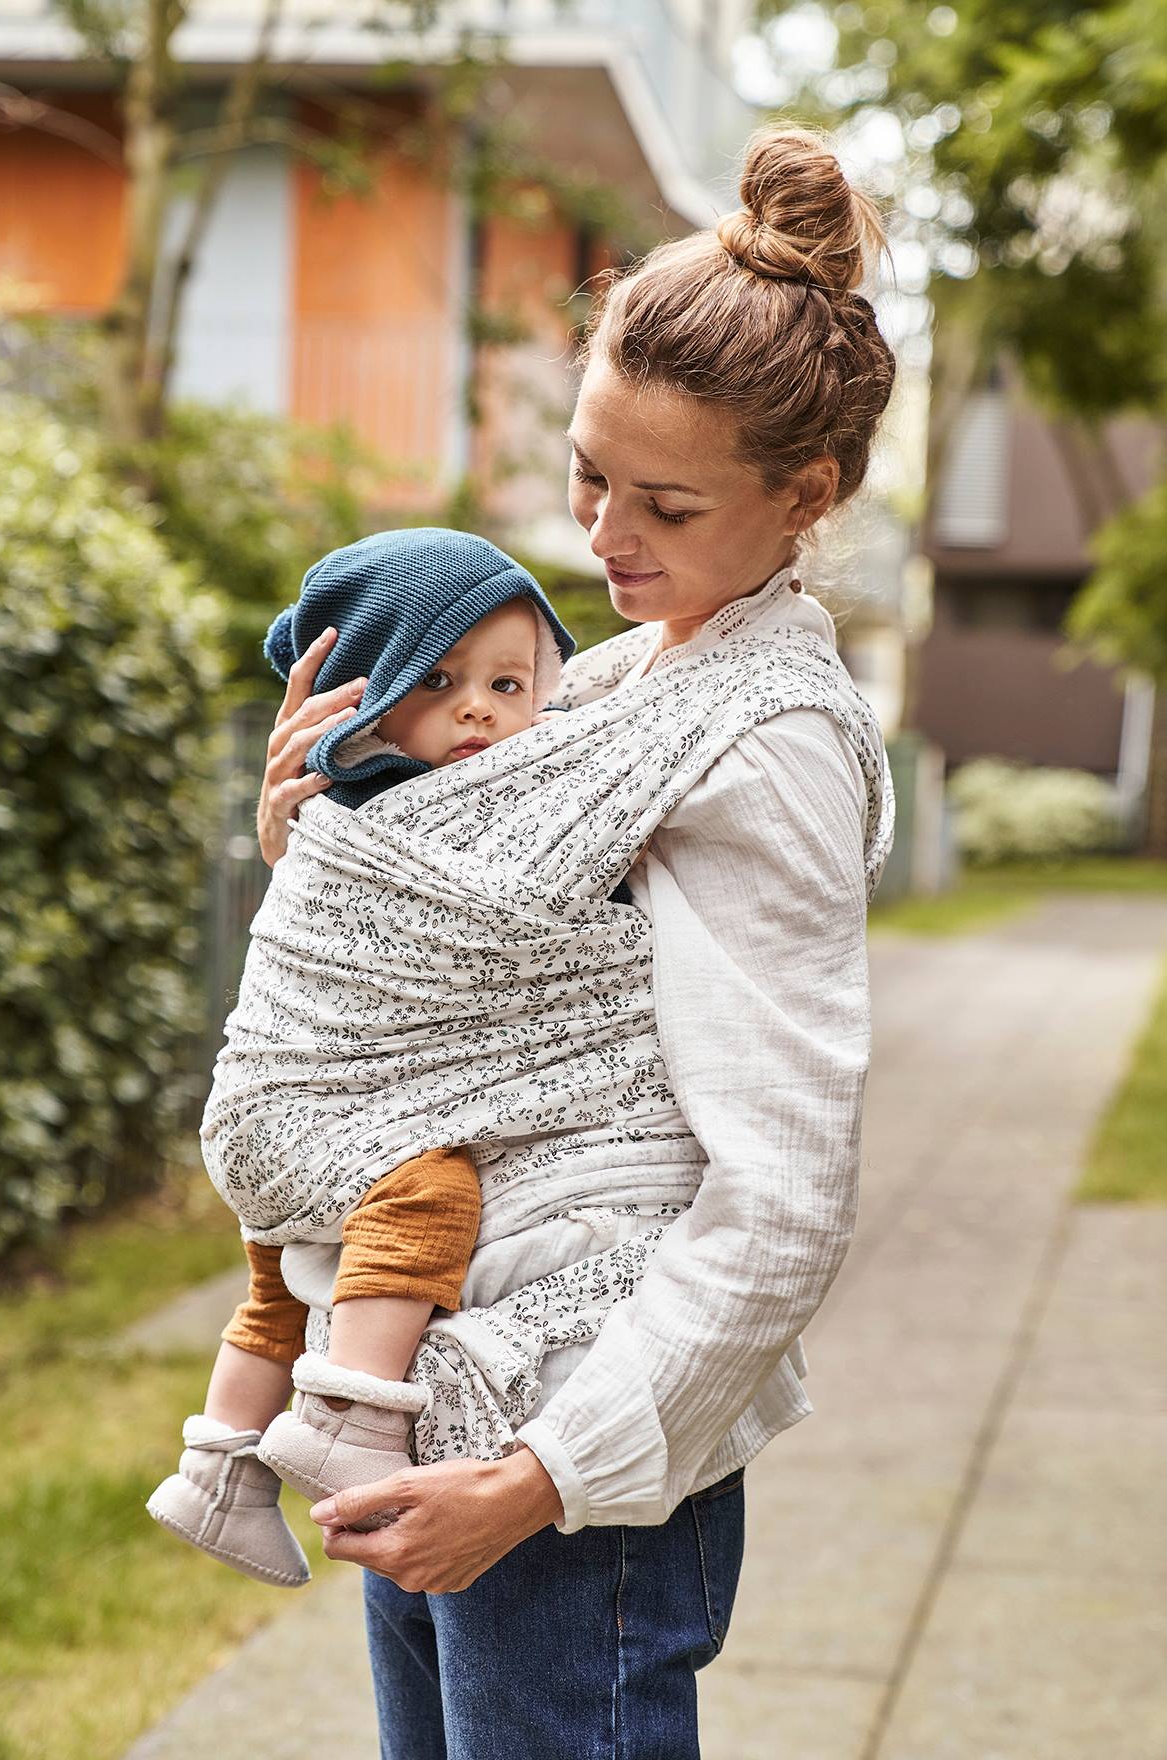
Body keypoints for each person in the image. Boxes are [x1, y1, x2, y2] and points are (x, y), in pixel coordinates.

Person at [250, 124, 900, 1759]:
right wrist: (311, 849)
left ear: (805, 494)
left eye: (665, 503)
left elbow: (782, 1206)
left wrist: (538, 1482)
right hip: (446, 1382)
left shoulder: (766, 743)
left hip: (572, 1451)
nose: (606, 531)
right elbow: (466, 972)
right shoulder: (611, 681)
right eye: (588, 472)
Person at [147, 529, 580, 1583]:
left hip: (267, 1122)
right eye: (437, 679)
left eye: (508, 683)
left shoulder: (332, 805)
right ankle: (352, 1416)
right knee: (430, 1194)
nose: (478, 710)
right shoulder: (389, 802)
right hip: (323, 1108)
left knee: (283, 1290)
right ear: (369, 698)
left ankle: (219, 1473)